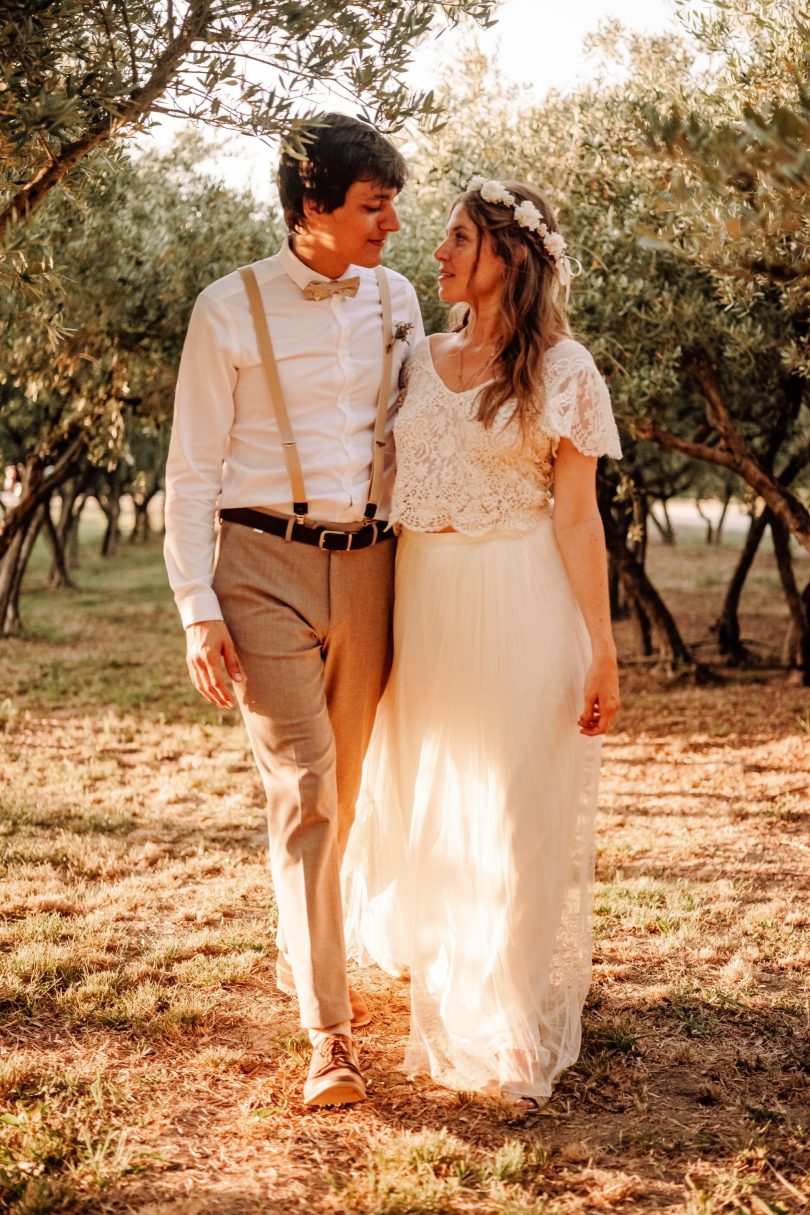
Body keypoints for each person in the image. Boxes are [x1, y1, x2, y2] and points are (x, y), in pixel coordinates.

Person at [343, 177, 622, 1108]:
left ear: (510, 254)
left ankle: (504, 1024)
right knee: (433, 789)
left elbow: (581, 523)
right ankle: (449, 964)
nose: (439, 251)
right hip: (423, 601)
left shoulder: (566, 370)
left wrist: (603, 648)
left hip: (522, 598)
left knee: (512, 808)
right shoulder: (416, 358)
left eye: (460, 237)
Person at [164, 113, 424, 1107]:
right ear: (311, 206)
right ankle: (331, 1035)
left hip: (373, 568)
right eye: (373, 205)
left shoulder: (398, 298)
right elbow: (190, 473)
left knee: (341, 798)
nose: (392, 223)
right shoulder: (225, 310)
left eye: (393, 203)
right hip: (260, 568)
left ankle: (296, 944)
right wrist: (197, 606)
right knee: (308, 791)